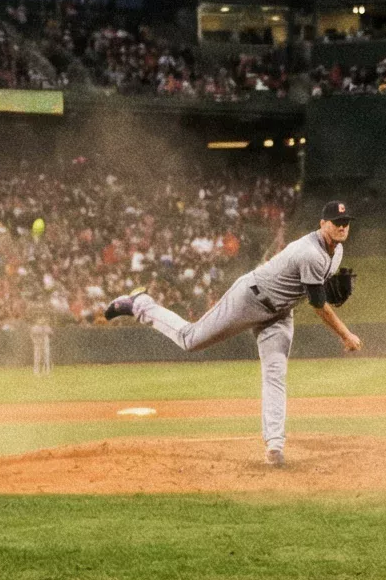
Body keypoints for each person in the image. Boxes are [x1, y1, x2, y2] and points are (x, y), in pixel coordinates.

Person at [107, 200, 363, 466]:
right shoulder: (308, 252)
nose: (342, 227)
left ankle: (275, 446)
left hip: (280, 313)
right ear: (323, 224)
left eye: (345, 223)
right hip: (249, 299)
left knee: (275, 373)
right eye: (337, 222)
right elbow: (318, 304)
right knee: (190, 340)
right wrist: (345, 335)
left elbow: (316, 290)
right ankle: (139, 305)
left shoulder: (338, 251)